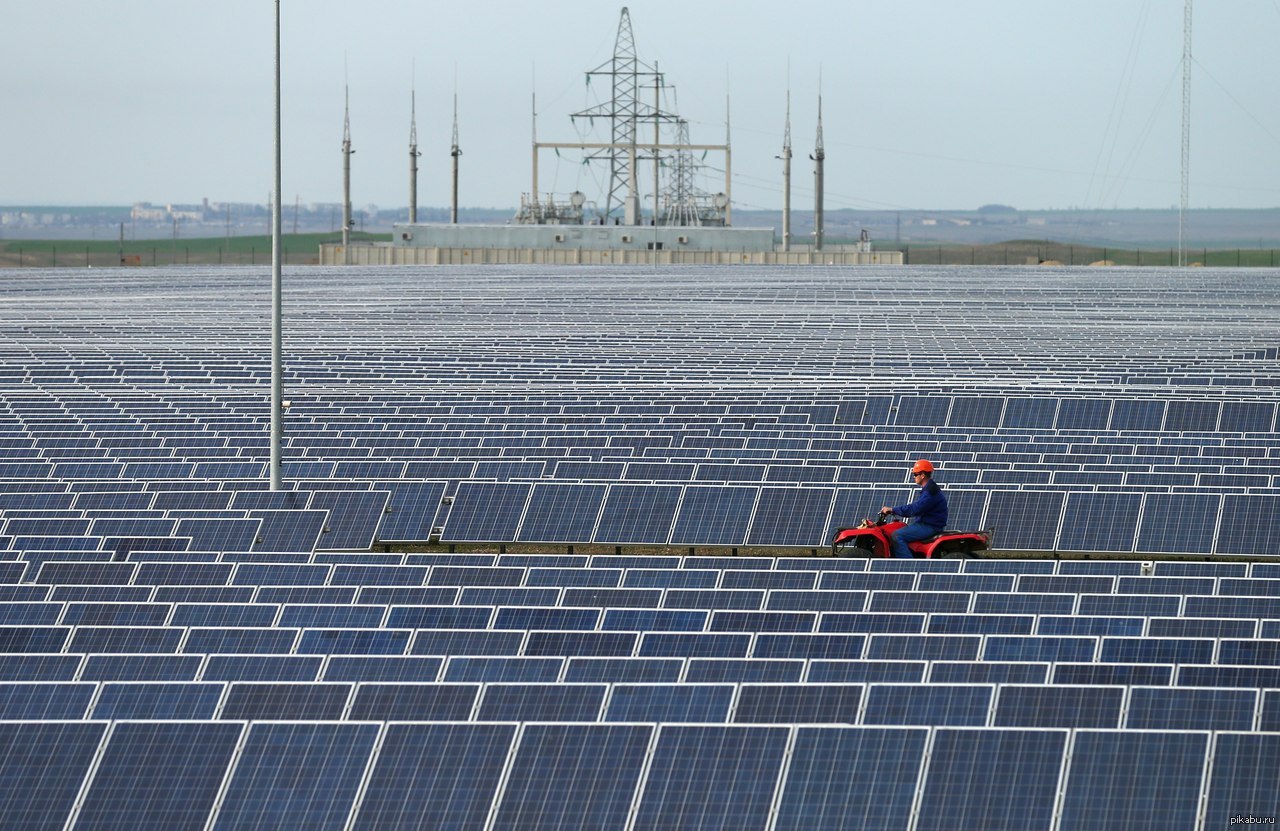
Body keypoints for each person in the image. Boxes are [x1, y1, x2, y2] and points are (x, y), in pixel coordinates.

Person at [881, 459, 948, 558]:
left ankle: (908, 565)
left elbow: (915, 509)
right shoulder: (929, 489)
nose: (913, 477)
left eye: (915, 474)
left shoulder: (930, 492)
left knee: (897, 536)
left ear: (923, 475)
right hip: (926, 523)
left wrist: (893, 509)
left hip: (930, 526)